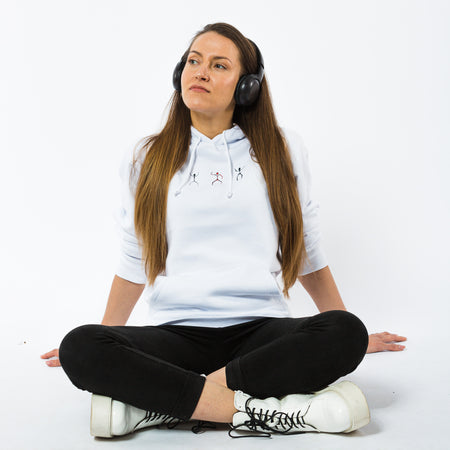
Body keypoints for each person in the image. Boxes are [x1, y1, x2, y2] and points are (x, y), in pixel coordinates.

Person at [41, 22, 407, 439]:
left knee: (346, 332)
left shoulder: (283, 150)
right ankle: (274, 412)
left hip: (261, 332)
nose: (200, 72)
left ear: (247, 86)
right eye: (193, 61)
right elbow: (134, 254)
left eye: (218, 65)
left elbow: (304, 249)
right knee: (80, 347)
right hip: (176, 333)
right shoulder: (145, 156)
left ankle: (163, 406)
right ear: (179, 73)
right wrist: (108, 337)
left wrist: (344, 322)